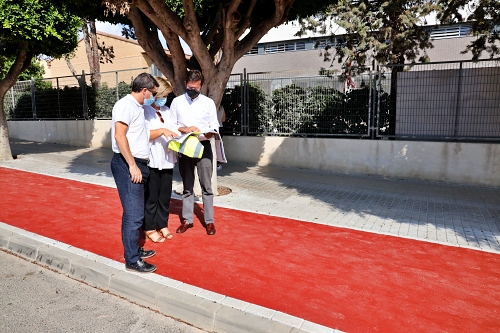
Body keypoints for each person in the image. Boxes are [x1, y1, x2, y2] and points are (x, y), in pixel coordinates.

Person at [110, 73, 176, 273]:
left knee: (134, 213)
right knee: (134, 215)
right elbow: (119, 136)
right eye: (153, 93)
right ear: (145, 90)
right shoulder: (125, 105)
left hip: (140, 163)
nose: (154, 97)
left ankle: (135, 250)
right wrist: (132, 165)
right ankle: (132, 260)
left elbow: (141, 135)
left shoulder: (138, 107)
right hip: (128, 164)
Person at [171, 70, 219, 236]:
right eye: (190, 87)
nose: (193, 90)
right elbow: (172, 125)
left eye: (196, 88)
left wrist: (210, 133)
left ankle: (210, 221)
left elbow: (215, 124)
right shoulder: (177, 102)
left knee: (207, 186)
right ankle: (186, 220)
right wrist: (185, 129)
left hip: (204, 146)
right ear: (185, 84)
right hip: (185, 146)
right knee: (187, 186)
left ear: (201, 86)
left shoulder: (208, 103)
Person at [143, 77, 179, 242]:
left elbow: (174, 129)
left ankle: (162, 224)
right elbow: (146, 135)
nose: (165, 98)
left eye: (167, 95)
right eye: (164, 94)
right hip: (152, 159)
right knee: (152, 196)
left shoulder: (167, 110)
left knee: (165, 196)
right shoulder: (145, 110)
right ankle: (149, 228)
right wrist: (163, 130)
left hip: (167, 158)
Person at [216, 104, 226, 171]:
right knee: (218, 146)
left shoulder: (210, 106)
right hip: (220, 127)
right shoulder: (221, 107)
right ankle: (218, 163)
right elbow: (223, 119)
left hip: (212, 128)